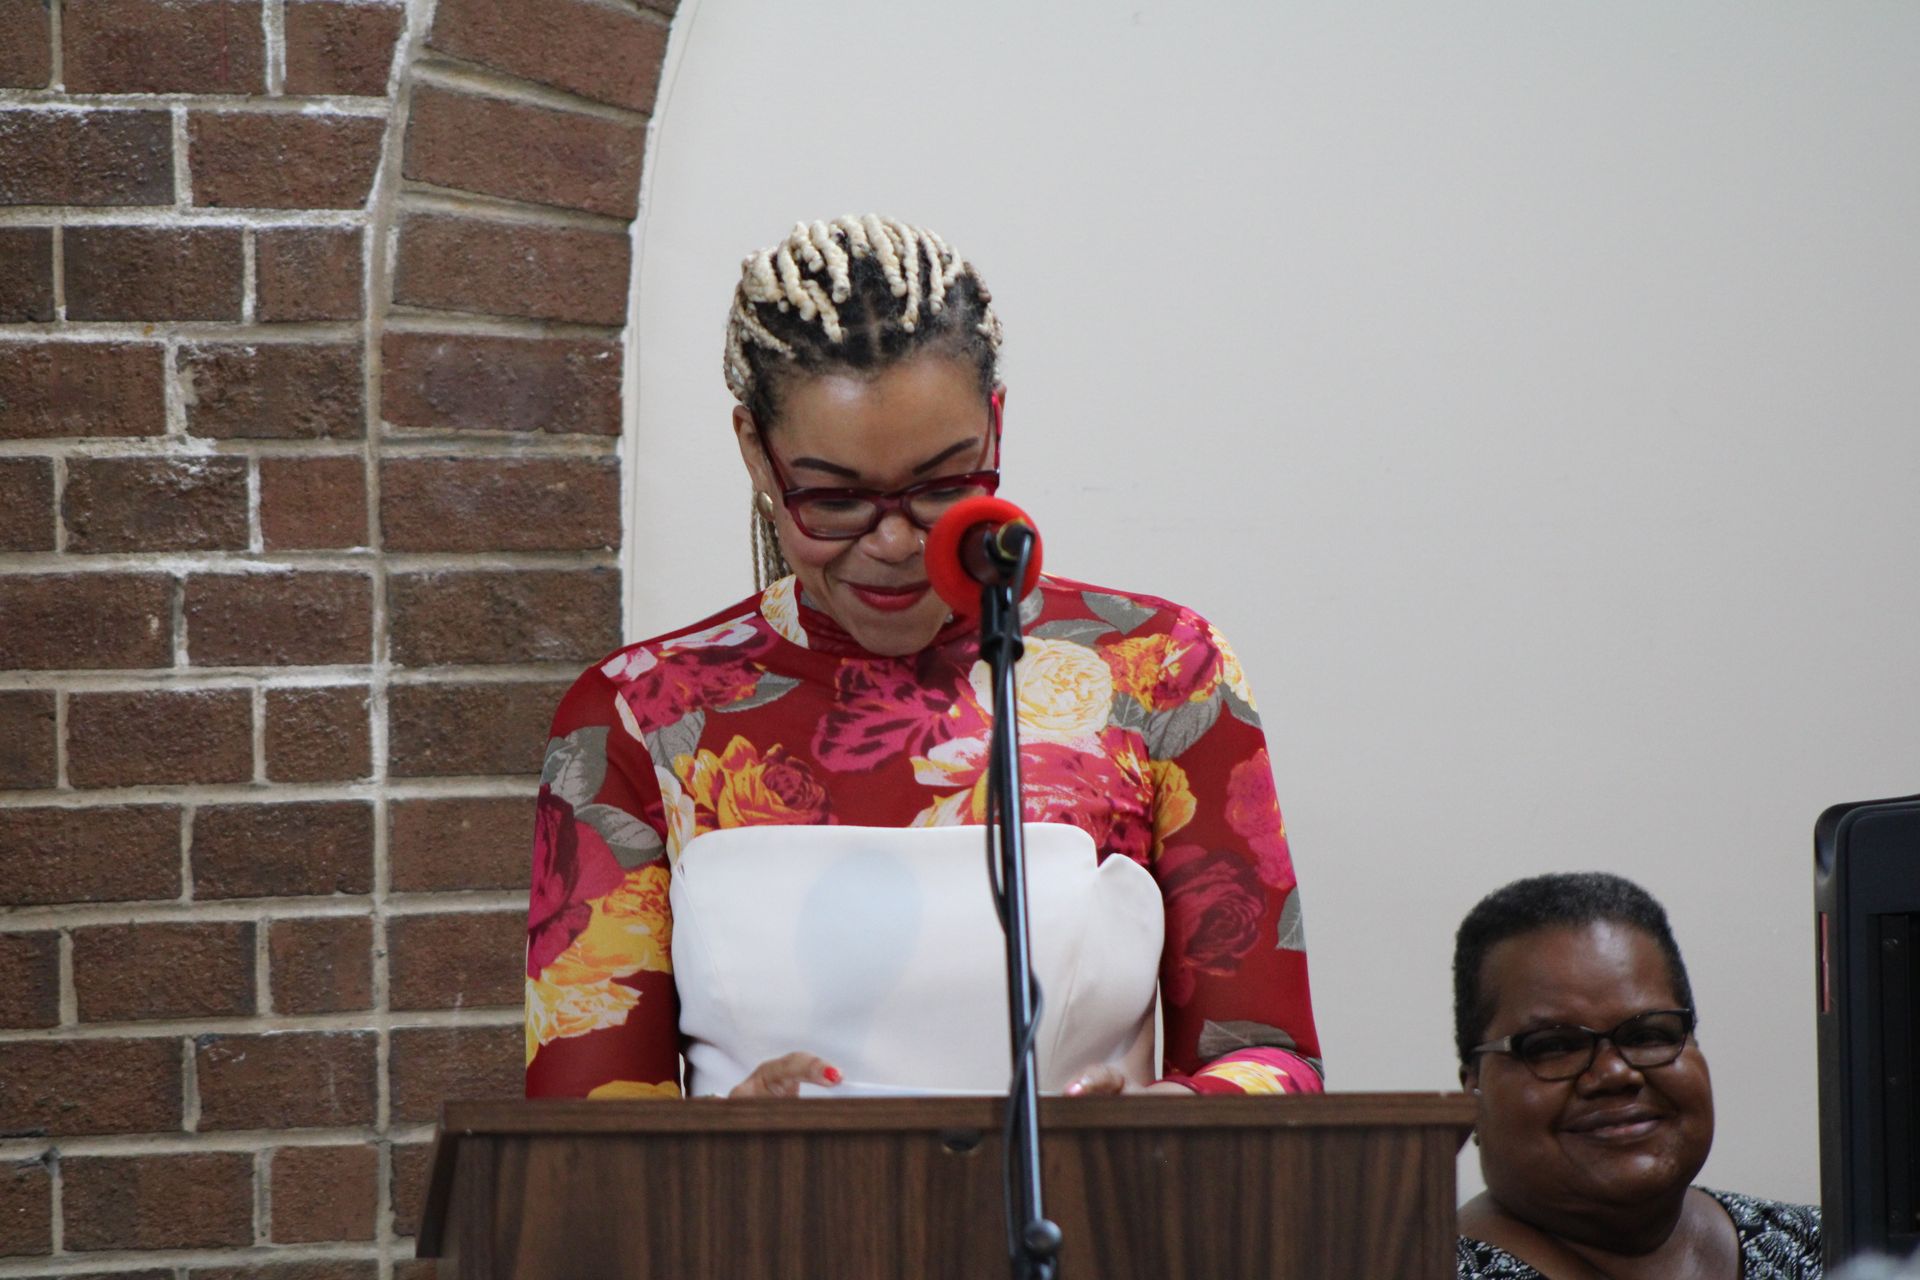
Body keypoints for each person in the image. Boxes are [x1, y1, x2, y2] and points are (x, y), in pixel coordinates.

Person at [524, 215, 1320, 1101]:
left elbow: (1274, 1061)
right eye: (834, 498)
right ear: (756, 451)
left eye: (943, 485)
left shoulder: (1160, 673)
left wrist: (1163, 1118)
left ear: (995, 427)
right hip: (759, 1236)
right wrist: (720, 1153)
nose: (896, 541)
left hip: (1092, 1228)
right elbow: (581, 1141)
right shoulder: (640, 720)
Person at [1453, 871, 1821, 1278]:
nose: (1614, 1073)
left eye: (1648, 1034)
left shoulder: (1834, 1248)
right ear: (1473, 1089)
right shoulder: (1422, 1269)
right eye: (1554, 1046)